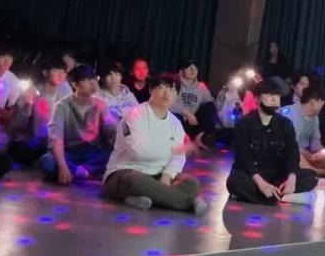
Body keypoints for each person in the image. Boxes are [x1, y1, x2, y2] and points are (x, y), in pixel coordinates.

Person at [102, 74, 206, 214]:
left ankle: (141, 198)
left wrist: (167, 176)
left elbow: (178, 157)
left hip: (158, 175)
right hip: (126, 171)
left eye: (172, 90)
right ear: (151, 90)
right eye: (162, 88)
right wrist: (174, 150)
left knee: (192, 184)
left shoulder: (175, 123)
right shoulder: (134, 115)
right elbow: (138, 151)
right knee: (137, 182)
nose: (167, 93)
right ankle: (188, 203)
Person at [227, 80, 318, 205]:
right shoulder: (244, 124)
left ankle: (267, 196)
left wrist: (291, 178)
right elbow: (243, 159)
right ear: (257, 99)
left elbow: (293, 154)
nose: (275, 99)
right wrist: (260, 182)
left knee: (312, 176)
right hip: (254, 175)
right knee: (235, 180)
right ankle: (281, 197)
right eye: (270, 95)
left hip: (277, 175)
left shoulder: (285, 124)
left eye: (277, 96)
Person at [39, 64, 113, 184]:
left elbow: (111, 127)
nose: (93, 83)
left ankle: (80, 171)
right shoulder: (62, 106)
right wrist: (62, 166)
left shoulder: (100, 104)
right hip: (69, 151)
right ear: (75, 84)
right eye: (86, 80)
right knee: (47, 161)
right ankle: (83, 172)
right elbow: (55, 138)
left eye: (94, 79)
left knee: (114, 154)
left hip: (92, 152)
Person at [10, 57, 69, 164]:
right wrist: (27, 107)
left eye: (63, 72)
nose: (60, 75)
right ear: (45, 73)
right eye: (56, 71)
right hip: (32, 141)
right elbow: (18, 123)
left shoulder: (65, 92)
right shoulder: (31, 91)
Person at [280, 86, 325, 177]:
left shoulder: (315, 117)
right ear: (313, 102)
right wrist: (308, 155)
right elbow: (289, 144)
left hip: (307, 153)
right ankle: (317, 172)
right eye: (322, 102)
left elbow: (315, 141)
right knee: (294, 153)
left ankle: (309, 169)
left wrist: (321, 152)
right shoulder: (289, 114)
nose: (323, 106)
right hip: (291, 151)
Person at [171, 57, 216, 145]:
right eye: (189, 67)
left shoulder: (201, 86)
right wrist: (187, 113)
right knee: (173, 115)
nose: (193, 70)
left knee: (209, 107)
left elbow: (211, 104)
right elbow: (169, 103)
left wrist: (223, 97)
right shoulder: (175, 83)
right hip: (178, 120)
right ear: (182, 71)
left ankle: (199, 138)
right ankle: (179, 139)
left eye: (195, 68)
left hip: (193, 123)